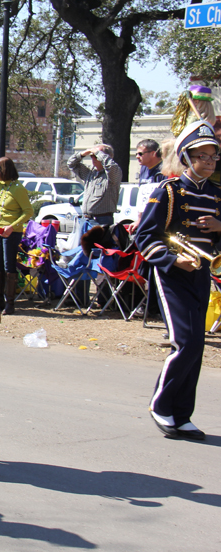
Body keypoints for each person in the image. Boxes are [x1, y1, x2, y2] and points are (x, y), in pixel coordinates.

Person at [135, 120, 221, 441]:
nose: (209, 162)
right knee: (186, 342)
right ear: (187, 158)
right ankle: (161, 405)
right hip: (171, 274)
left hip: (201, 273)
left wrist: (219, 226)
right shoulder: (169, 191)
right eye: (202, 156)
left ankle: (182, 415)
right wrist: (173, 259)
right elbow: (145, 237)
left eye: (213, 157)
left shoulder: (217, 195)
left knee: (197, 346)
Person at [0, 156, 34, 314]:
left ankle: (10, 303)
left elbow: (28, 211)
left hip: (11, 232)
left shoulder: (17, 188)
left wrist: (12, 226)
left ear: (5, 170)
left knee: (8, 265)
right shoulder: (2, 185)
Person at [67, 144, 122, 226]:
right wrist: (82, 154)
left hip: (102, 220)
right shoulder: (90, 172)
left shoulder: (112, 175)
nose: (93, 158)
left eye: (96, 156)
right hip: (85, 219)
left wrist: (98, 153)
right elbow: (71, 164)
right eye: (91, 156)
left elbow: (112, 167)